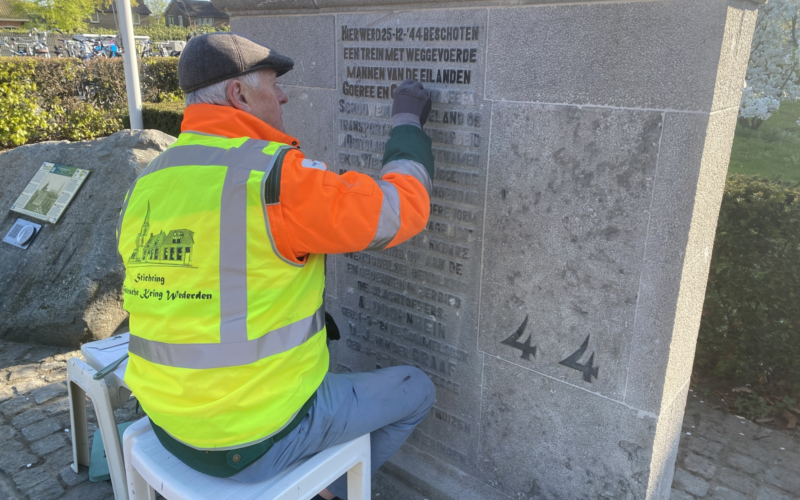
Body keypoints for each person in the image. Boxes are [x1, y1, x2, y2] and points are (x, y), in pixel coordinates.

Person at [116, 32, 436, 500]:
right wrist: (408, 126)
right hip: (253, 439)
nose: (284, 95)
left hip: (166, 422)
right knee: (416, 389)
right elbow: (399, 210)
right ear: (239, 94)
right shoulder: (274, 177)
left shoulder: (148, 180)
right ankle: (327, 490)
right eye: (273, 84)